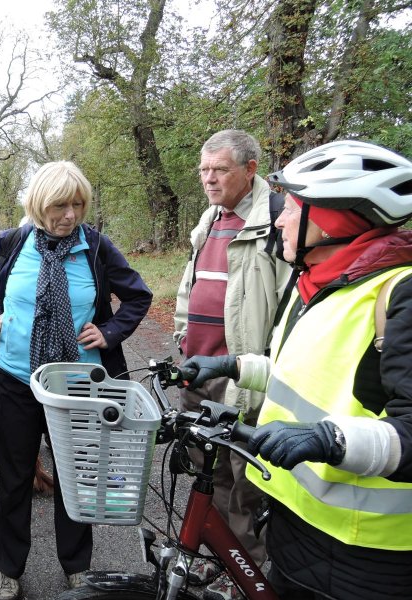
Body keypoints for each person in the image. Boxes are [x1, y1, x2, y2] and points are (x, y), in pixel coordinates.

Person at [181, 140, 412, 600]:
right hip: (295, 518)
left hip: (361, 551)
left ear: (330, 220)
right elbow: (301, 372)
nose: (281, 219)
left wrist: (331, 439)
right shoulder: (320, 286)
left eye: (292, 208)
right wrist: (231, 365)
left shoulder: (398, 295)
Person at [0, 161, 152, 600]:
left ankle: (77, 565)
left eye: (78, 204)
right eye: (60, 205)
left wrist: (111, 331)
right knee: (14, 475)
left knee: (76, 475)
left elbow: (138, 296)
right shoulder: (13, 244)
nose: (70, 215)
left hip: (78, 384)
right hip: (16, 380)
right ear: (39, 205)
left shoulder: (96, 248)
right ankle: (8, 568)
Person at [173, 129, 291, 600]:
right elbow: (190, 286)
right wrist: (183, 337)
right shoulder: (210, 218)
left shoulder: (276, 221)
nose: (208, 178)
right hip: (198, 372)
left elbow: (289, 305)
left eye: (219, 169)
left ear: (250, 169)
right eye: (204, 170)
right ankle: (219, 560)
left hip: (244, 377)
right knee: (208, 472)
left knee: (245, 484)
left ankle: (249, 571)